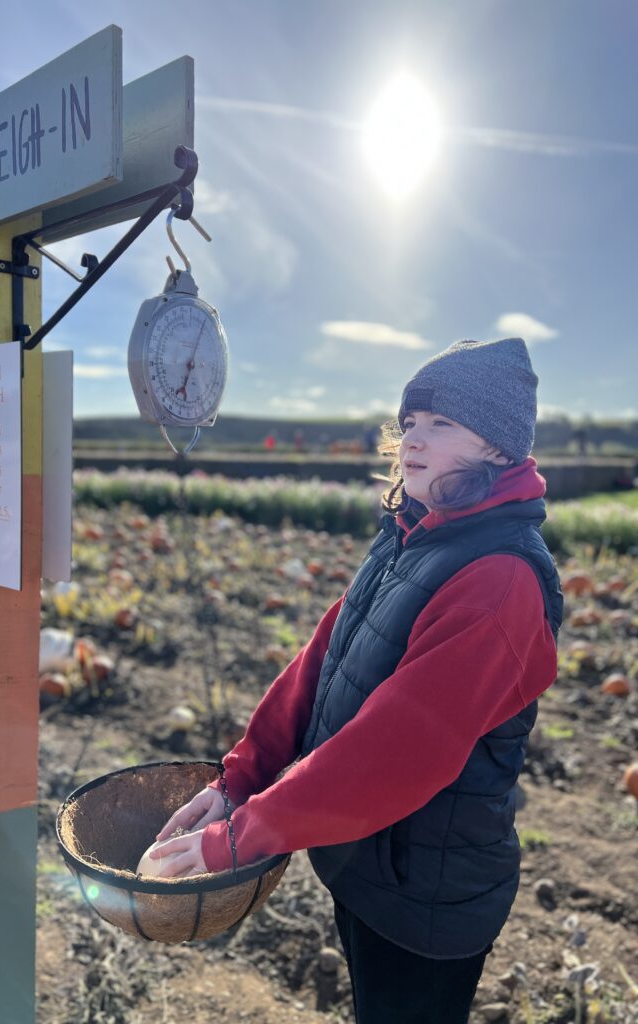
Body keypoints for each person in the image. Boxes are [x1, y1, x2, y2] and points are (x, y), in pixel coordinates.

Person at [152, 337, 563, 1023]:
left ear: (497, 446)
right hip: (371, 865)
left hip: (427, 897)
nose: (414, 443)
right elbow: (325, 657)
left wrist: (247, 833)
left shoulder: (499, 580)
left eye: (443, 425)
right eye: (409, 424)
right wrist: (242, 778)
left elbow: (395, 752)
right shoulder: (414, 531)